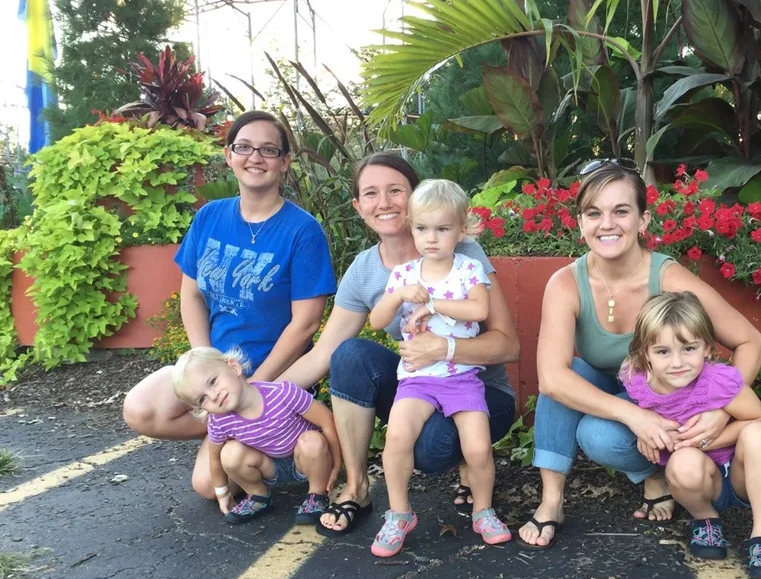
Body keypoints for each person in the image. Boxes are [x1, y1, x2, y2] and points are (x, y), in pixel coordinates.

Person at [516, 160, 761, 552]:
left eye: (621, 211)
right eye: (594, 213)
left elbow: (752, 342)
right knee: (567, 379)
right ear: (580, 223)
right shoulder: (566, 282)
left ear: (643, 220)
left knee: (596, 435)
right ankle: (553, 500)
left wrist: (722, 410)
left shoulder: (666, 277)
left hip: (666, 397)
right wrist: (635, 416)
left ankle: (660, 474)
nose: (607, 224)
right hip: (623, 395)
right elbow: (551, 378)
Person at [277, 153, 519, 537]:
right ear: (358, 206)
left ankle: (471, 477)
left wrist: (445, 347)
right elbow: (324, 353)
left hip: (478, 387)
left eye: (395, 190)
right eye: (371, 193)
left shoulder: (463, 255)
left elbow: (509, 346)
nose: (384, 202)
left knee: (433, 448)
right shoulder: (367, 269)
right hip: (419, 382)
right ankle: (358, 487)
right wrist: (258, 398)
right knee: (350, 355)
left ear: (414, 196)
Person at [122, 111, 336, 501]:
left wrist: (257, 386)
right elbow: (192, 294)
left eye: (268, 150)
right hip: (216, 369)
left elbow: (305, 324)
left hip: (273, 374)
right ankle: (233, 427)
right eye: (244, 147)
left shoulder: (302, 231)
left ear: (285, 162)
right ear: (229, 155)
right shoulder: (210, 217)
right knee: (139, 408)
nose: (255, 157)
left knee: (206, 486)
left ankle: (263, 437)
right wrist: (202, 363)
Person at [364, 180, 512, 556]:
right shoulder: (404, 275)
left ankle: (483, 510)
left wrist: (433, 305)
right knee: (397, 438)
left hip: (461, 377)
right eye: (422, 228)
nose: (431, 238)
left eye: (443, 229)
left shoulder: (469, 268)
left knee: (477, 447)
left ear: (462, 230)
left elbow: (478, 310)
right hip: (416, 380)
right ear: (411, 227)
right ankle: (399, 513)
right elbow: (377, 321)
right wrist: (397, 294)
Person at [619, 292, 761, 579]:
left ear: (707, 348)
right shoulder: (637, 380)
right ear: (645, 353)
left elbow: (756, 418)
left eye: (689, 349)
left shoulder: (717, 381)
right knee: (683, 462)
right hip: (699, 479)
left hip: (741, 474)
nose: (677, 363)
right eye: (663, 352)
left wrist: (706, 440)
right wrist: (644, 431)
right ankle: (706, 520)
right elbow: (645, 413)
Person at [170, 346, 341, 525]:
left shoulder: (282, 392)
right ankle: (259, 496)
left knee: (311, 440)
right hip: (270, 466)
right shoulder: (219, 420)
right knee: (229, 453)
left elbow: (327, 421)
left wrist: (336, 463)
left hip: (306, 460)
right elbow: (214, 459)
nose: (213, 396)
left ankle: (317, 494)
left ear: (234, 367)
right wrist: (223, 493)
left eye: (213, 382)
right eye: (202, 399)